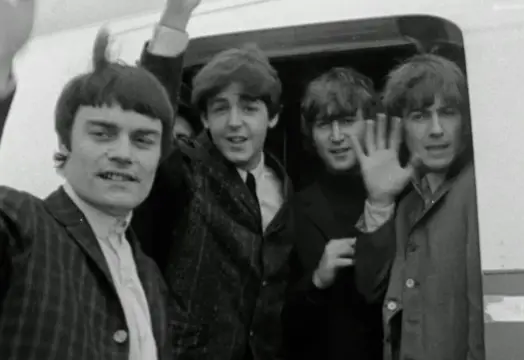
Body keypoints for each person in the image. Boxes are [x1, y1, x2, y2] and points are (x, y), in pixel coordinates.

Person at [0, 0, 197, 358]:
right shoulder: (21, 227)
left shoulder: (149, 276)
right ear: (65, 143)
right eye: (103, 133)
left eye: (143, 140)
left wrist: (177, 17)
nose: (124, 153)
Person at [131, 43, 295, 359]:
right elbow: (149, 116)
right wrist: (174, 22)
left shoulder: (283, 185)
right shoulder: (186, 168)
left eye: (249, 108)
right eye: (220, 109)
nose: (234, 122)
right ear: (204, 118)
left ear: (272, 117)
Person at [351, 54, 485, 360]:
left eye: (448, 113)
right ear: (402, 128)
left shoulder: (478, 187)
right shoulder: (409, 201)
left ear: (465, 122)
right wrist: (380, 201)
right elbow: (371, 289)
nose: (436, 129)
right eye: (421, 116)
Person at [283, 67, 383, 360]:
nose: (337, 137)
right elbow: (279, 321)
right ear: (311, 135)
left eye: (348, 121)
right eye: (325, 124)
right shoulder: (294, 209)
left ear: (369, 124)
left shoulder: (401, 198)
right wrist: (316, 281)